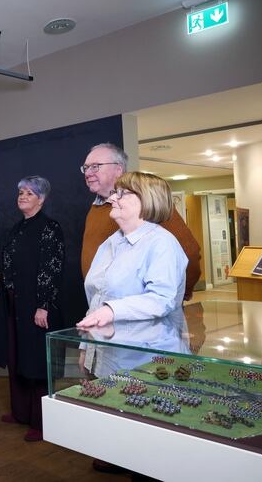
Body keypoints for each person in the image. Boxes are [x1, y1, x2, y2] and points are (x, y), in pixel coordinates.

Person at [77, 171, 188, 475]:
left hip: (148, 360)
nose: (112, 198)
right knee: (126, 437)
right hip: (109, 356)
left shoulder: (162, 243)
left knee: (152, 448)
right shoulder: (112, 243)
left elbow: (162, 299)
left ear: (147, 201)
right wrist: (87, 347)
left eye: (122, 194)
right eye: (115, 193)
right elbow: (97, 298)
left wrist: (113, 310)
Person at [0, 176, 64, 442]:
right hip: (13, 303)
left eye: (29, 193)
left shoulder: (49, 228)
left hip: (36, 306)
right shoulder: (17, 228)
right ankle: (20, 412)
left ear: (41, 199)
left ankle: (41, 422)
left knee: (36, 362)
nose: (22, 196)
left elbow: (51, 270)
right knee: (17, 357)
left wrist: (43, 306)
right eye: (20, 192)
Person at [81, 143, 200, 302]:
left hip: (144, 312)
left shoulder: (148, 205)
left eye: (95, 167)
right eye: (86, 167)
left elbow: (189, 253)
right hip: (104, 308)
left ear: (118, 169)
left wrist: (179, 293)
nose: (88, 173)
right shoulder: (95, 209)